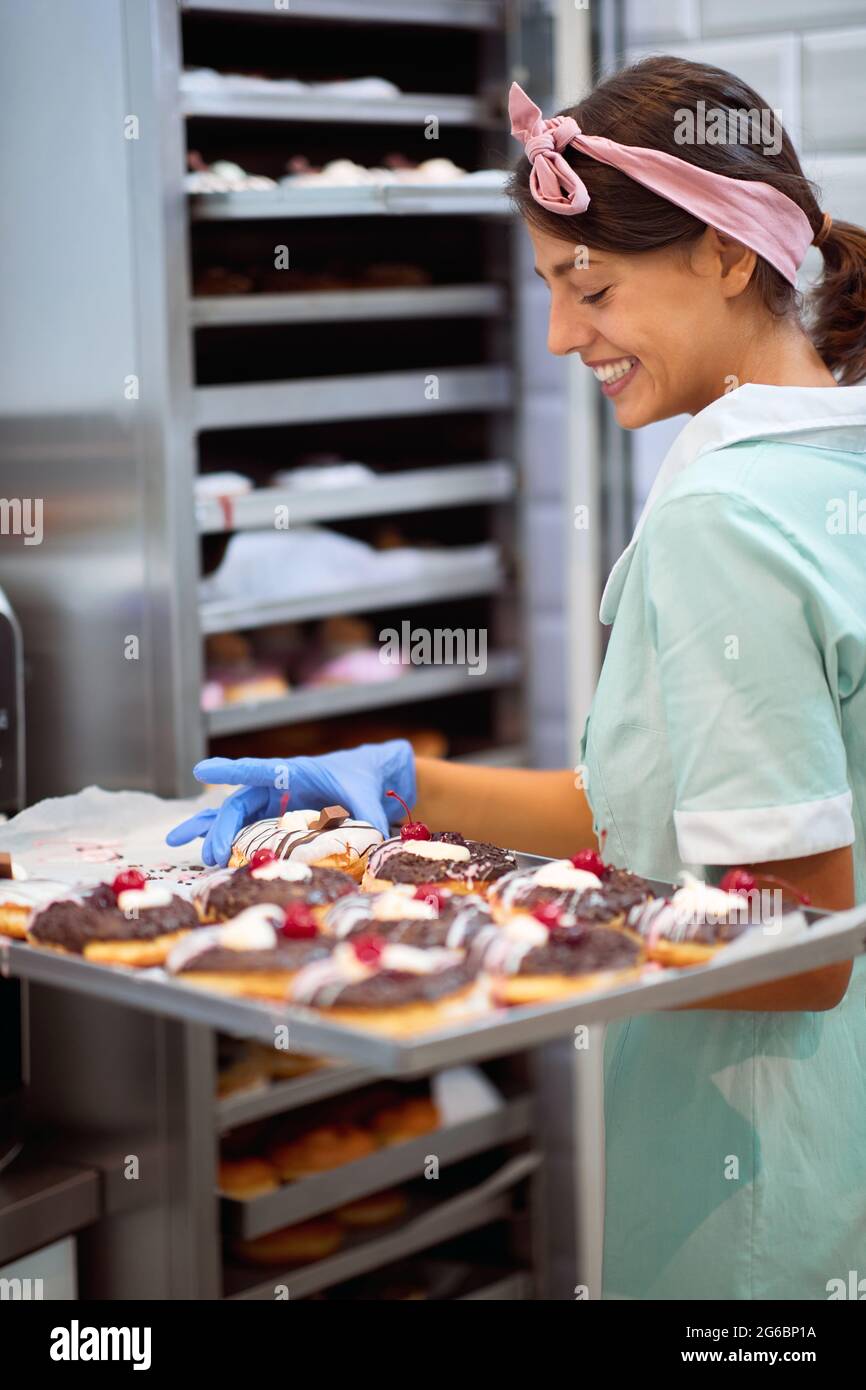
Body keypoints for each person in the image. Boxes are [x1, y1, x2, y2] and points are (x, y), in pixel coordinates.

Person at [169, 57, 866, 1300]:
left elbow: (800, 943)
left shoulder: (724, 518)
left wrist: (497, 948)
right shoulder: (832, 470)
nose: (556, 337)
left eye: (587, 286)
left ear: (721, 253)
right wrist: (402, 782)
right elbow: (648, 818)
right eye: (545, 290)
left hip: (754, 1205)